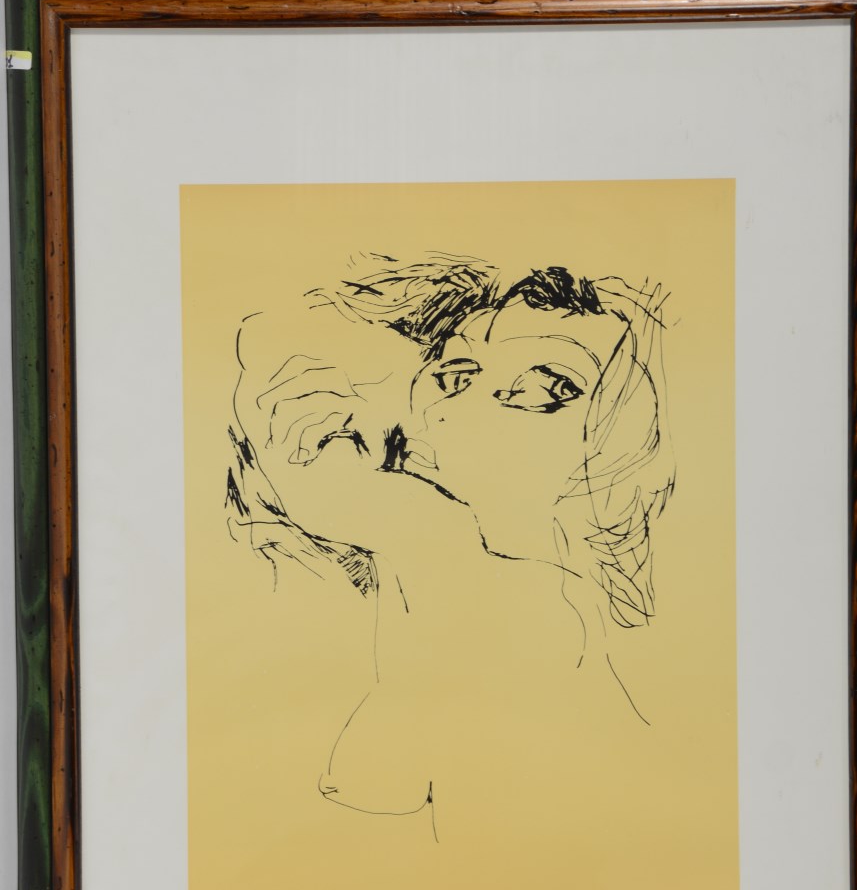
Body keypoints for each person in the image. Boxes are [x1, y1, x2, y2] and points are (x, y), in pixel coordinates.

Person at [225, 253, 674, 830]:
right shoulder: (418, 596)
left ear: (618, 466)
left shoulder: (548, 618)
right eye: (456, 375)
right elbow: (375, 794)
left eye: (550, 390)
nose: (453, 405)